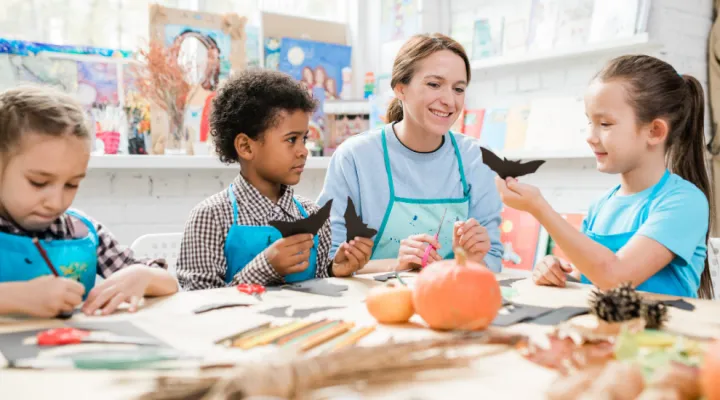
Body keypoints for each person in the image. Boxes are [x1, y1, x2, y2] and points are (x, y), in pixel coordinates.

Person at [495, 55, 714, 299]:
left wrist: (539, 208)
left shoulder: (684, 202)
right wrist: (556, 273)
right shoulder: (601, 207)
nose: (590, 135)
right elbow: (591, 278)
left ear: (654, 131)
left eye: (605, 123)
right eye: (590, 121)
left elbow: (616, 277)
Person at [317, 33, 504, 272]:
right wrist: (398, 265)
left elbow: (494, 258)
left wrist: (471, 258)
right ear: (400, 88)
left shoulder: (477, 158)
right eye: (434, 84)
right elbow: (328, 261)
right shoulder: (354, 157)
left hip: (451, 297)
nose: (449, 100)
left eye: (458, 89)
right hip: (375, 303)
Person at [176, 70, 373, 290]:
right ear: (246, 147)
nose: (303, 151)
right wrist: (265, 267)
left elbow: (317, 286)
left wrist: (333, 270)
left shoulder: (313, 215)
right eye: (291, 140)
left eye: (304, 139)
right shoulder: (210, 217)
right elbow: (197, 305)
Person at [0, 86, 178, 318]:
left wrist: (142, 276)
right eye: (38, 182)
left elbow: (169, 284)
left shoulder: (83, 233)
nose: (56, 202)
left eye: (72, 184)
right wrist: (14, 297)